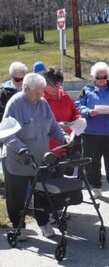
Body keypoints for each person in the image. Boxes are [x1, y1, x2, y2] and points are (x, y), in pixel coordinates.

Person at [1, 73, 69, 241]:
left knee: (42, 193)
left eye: (41, 91)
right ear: (25, 89)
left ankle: (43, 222)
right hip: (18, 160)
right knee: (16, 196)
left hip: (40, 160)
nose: (40, 95)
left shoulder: (43, 103)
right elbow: (6, 133)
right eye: (37, 92)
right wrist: (21, 149)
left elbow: (53, 126)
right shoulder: (15, 104)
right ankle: (19, 226)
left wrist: (65, 139)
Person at [77, 61, 109, 199]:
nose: (102, 80)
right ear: (93, 78)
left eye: (104, 77)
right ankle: (95, 187)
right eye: (98, 77)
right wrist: (88, 112)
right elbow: (78, 105)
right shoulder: (86, 90)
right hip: (91, 133)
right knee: (92, 162)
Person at [43, 67, 82, 156]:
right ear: (44, 83)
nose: (57, 89)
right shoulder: (40, 100)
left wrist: (77, 120)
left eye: (59, 86)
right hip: (48, 150)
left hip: (67, 146)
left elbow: (75, 111)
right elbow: (38, 123)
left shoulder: (64, 96)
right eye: (54, 86)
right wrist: (57, 126)